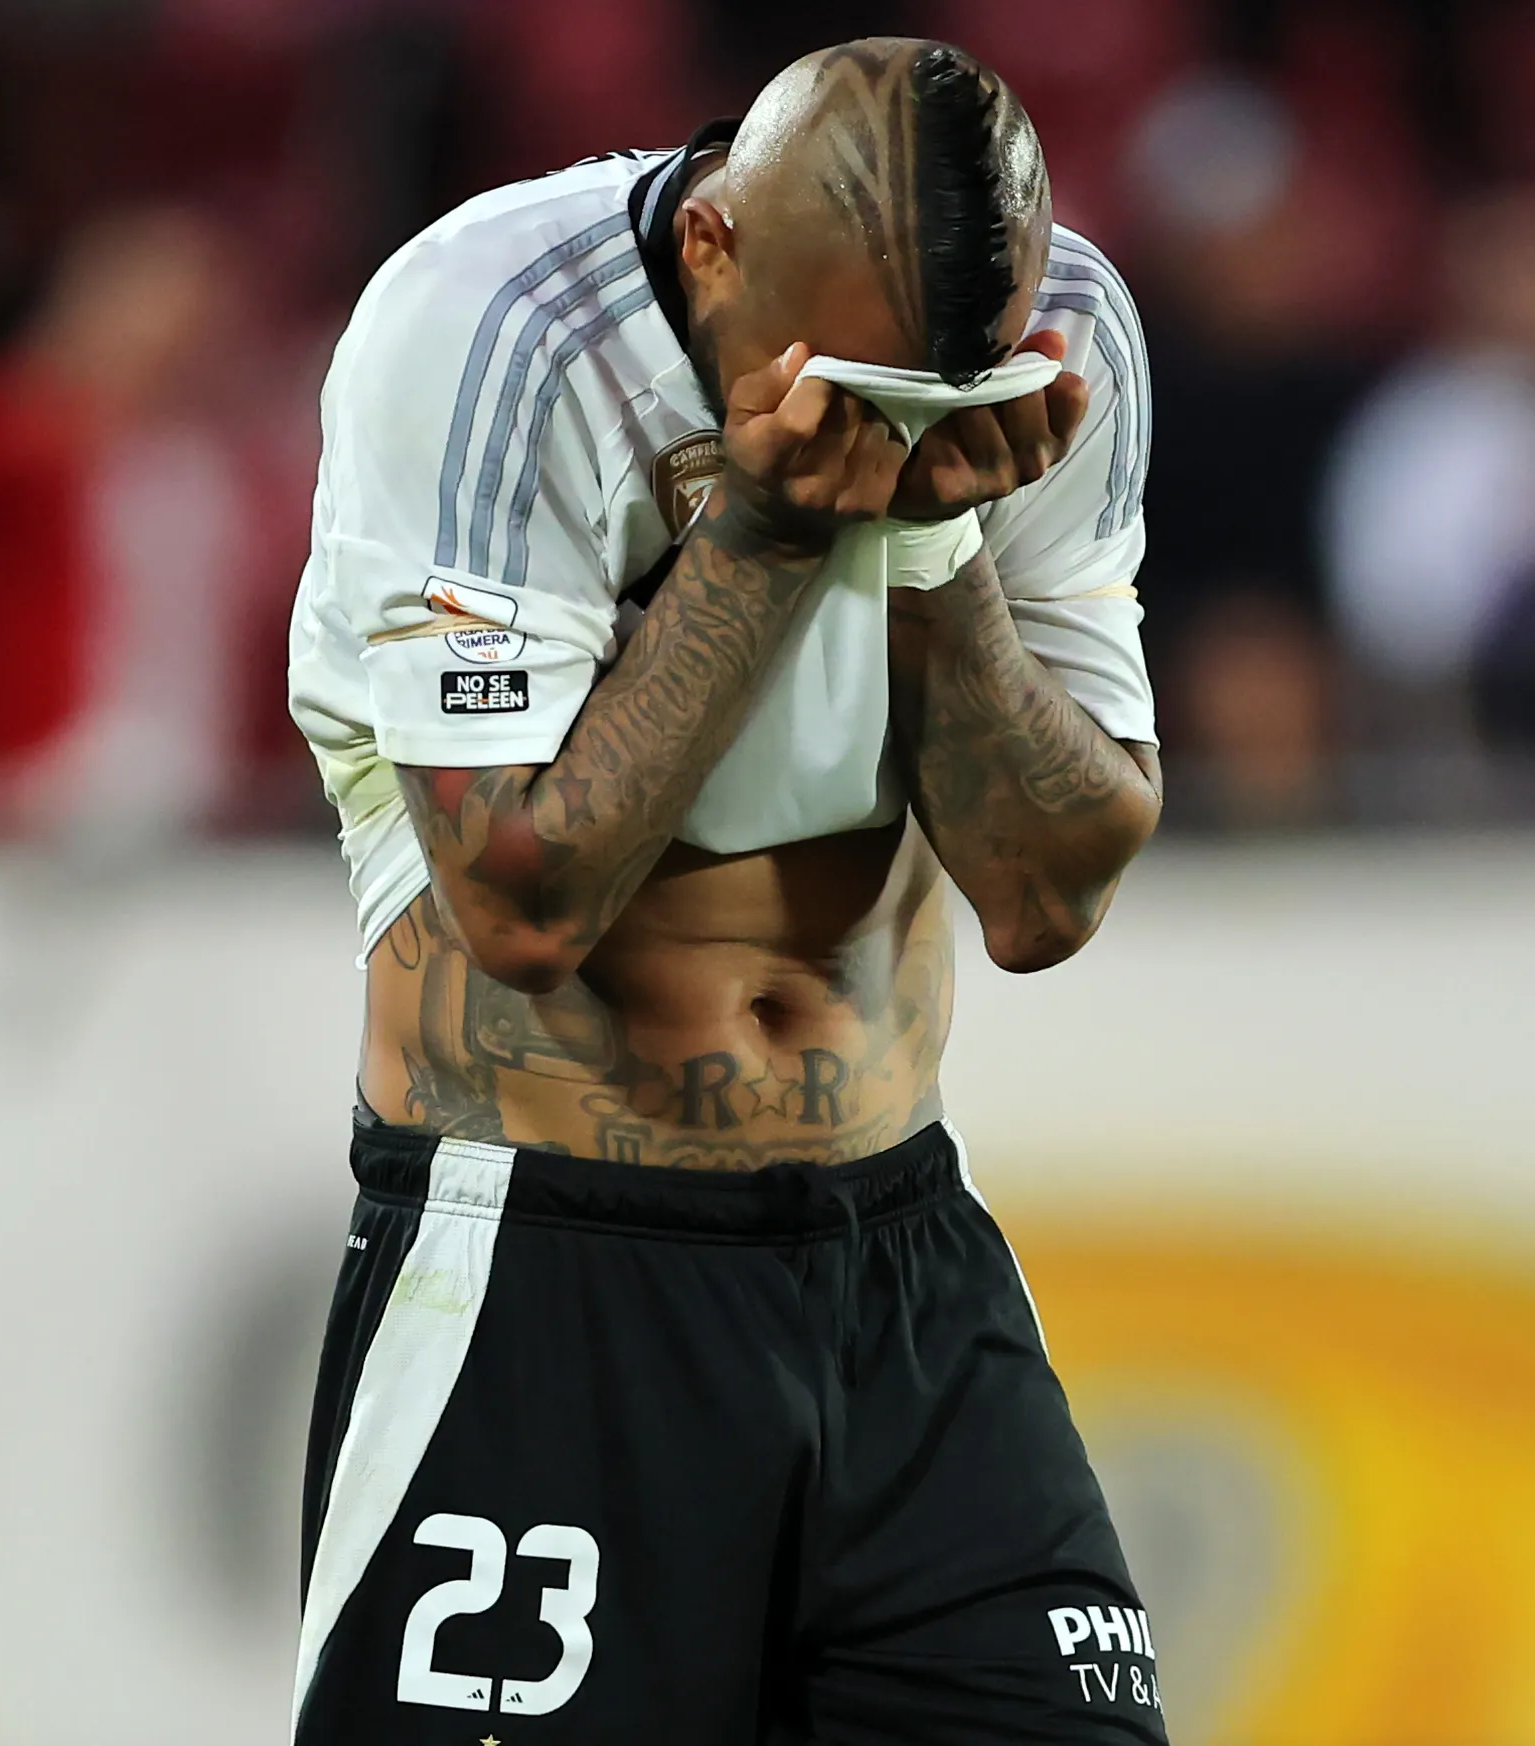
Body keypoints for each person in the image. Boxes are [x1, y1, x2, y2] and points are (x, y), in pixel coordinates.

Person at [284, 38, 1166, 1744]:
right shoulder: (489, 332)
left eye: (935, 398)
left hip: (896, 1254)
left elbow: (1047, 896)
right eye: (848, 380)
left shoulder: (1063, 343)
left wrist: (934, 538)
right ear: (710, 246)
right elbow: (525, 909)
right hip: (549, 1258)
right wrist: (765, 529)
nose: (880, 430)